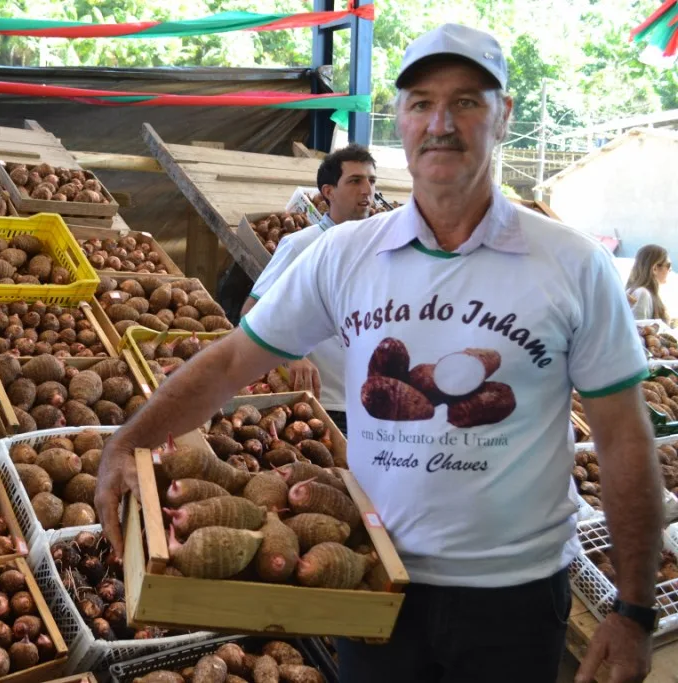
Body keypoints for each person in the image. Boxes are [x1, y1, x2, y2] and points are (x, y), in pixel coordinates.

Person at [96, 23, 662, 683]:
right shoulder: (346, 254)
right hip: (371, 580)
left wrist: (635, 608)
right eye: (421, 102)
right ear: (401, 118)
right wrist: (128, 440)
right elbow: (229, 363)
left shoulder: (573, 264)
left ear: (504, 115)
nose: (440, 122)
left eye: (466, 101)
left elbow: (624, 439)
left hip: (514, 594)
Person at [239, 144, 378, 435]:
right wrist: (293, 356)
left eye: (371, 180)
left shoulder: (379, 250)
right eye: (355, 181)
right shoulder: (301, 245)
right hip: (320, 405)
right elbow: (251, 312)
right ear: (328, 192)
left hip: (370, 409)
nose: (367, 190)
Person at [627, 244, 671, 321]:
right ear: (655, 268)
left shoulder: (644, 293)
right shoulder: (642, 293)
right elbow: (639, 329)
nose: (670, 269)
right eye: (668, 265)